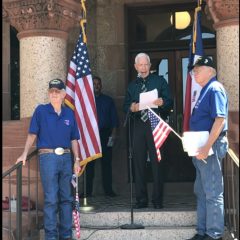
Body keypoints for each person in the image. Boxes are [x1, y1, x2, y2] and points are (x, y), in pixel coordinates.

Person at [16, 79, 81, 240]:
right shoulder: (41, 110)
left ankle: (66, 235)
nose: (54, 94)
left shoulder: (69, 113)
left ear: (64, 94)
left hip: (66, 157)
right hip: (48, 157)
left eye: (57, 91)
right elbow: (32, 134)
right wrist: (25, 153)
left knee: (66, 198)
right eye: (51, 91)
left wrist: (77, 159)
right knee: (51, 198)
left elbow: (74, 139)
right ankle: (51, 236)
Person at [185, 56, 228, 240]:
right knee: (201, 191)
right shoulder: (204, 90)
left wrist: (206, 147)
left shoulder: (214, 88)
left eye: (198, 69)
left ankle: (214, 233)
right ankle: (202, 232)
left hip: (209, 148)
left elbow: (220, 120)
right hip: (201, 148)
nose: (194, 73)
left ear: (210, 71)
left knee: (212, 192)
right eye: (193, 70)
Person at [123, 53, 173, 209]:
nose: (143, 68)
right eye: (140, 65)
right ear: (136, 66)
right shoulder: (132, 86)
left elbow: (170, 100)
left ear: (150, 66)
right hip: (139, 125)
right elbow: (125, 106)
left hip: (155, 124)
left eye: (146, 65)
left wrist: (162, 101)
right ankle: (141, 200)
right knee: (138, 163)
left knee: (157, 163)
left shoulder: (159, 81)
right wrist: (132, 107)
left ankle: (157, 200)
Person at [83, 76, 119, 197]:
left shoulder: (108, 100)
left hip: (105, 134)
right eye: (94, 84)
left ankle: (108, 191)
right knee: (89, 165)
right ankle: (87, 192)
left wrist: (113, 134)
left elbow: (114, 119)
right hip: (90, 135)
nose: (96, 86)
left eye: (98, 84)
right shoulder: (86, 101)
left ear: (101, 86)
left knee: (106, 164)